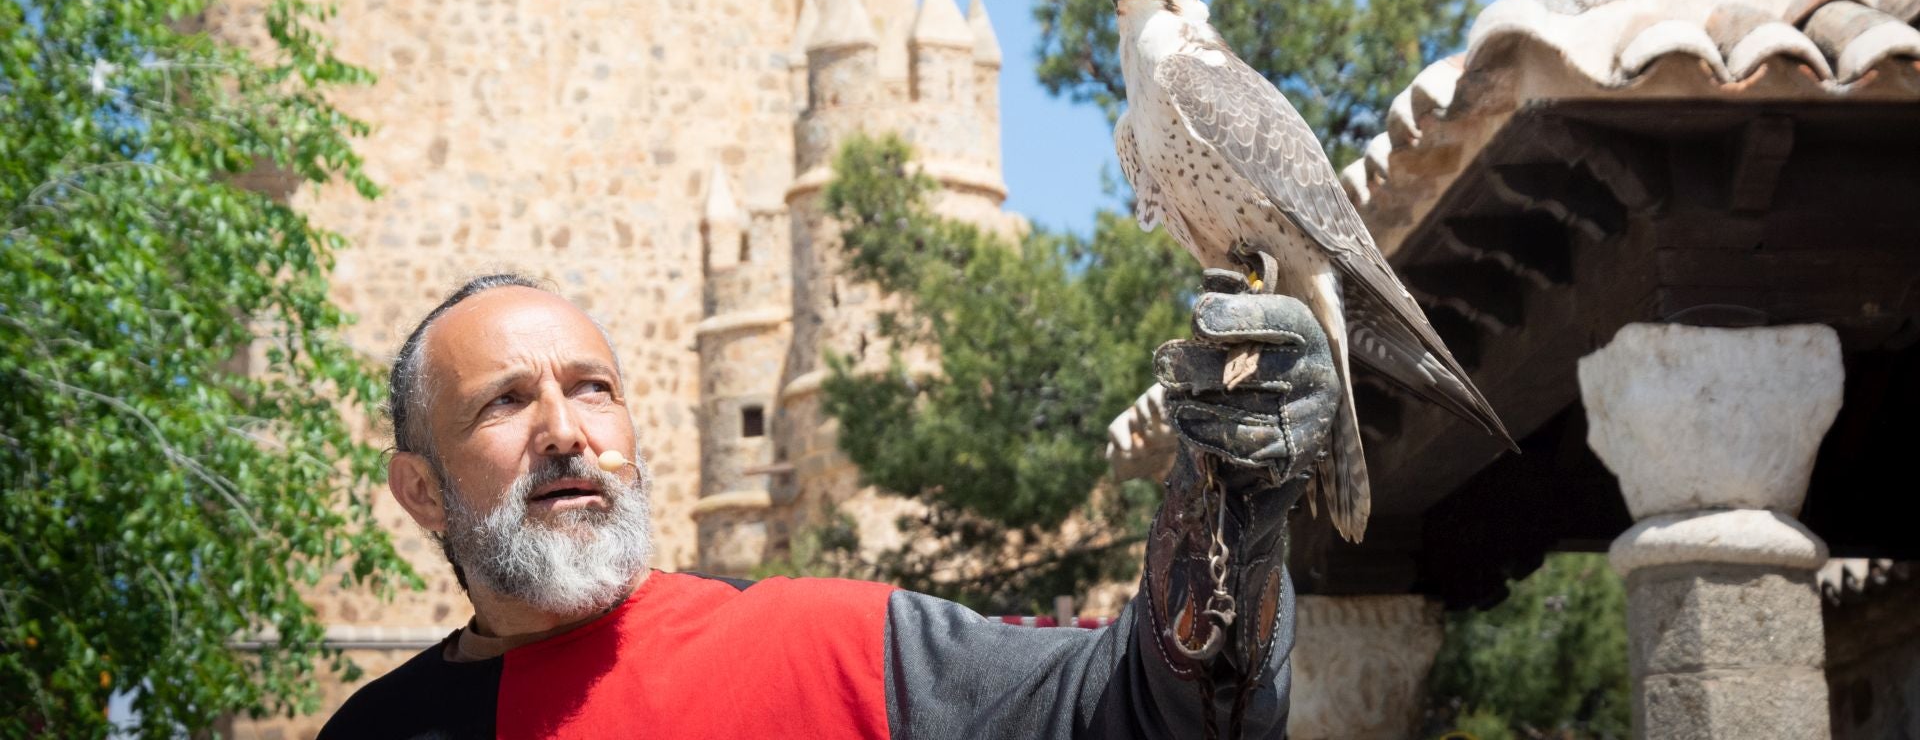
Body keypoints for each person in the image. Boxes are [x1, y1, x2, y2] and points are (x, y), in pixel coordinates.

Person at [319, 265, 1338, 739]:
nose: (565, 429)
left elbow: (1151, 709)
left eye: (593, 386)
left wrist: (1227, 496)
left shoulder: (826, 646)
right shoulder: (375, 730)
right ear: (421, 489)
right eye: (506, 399)